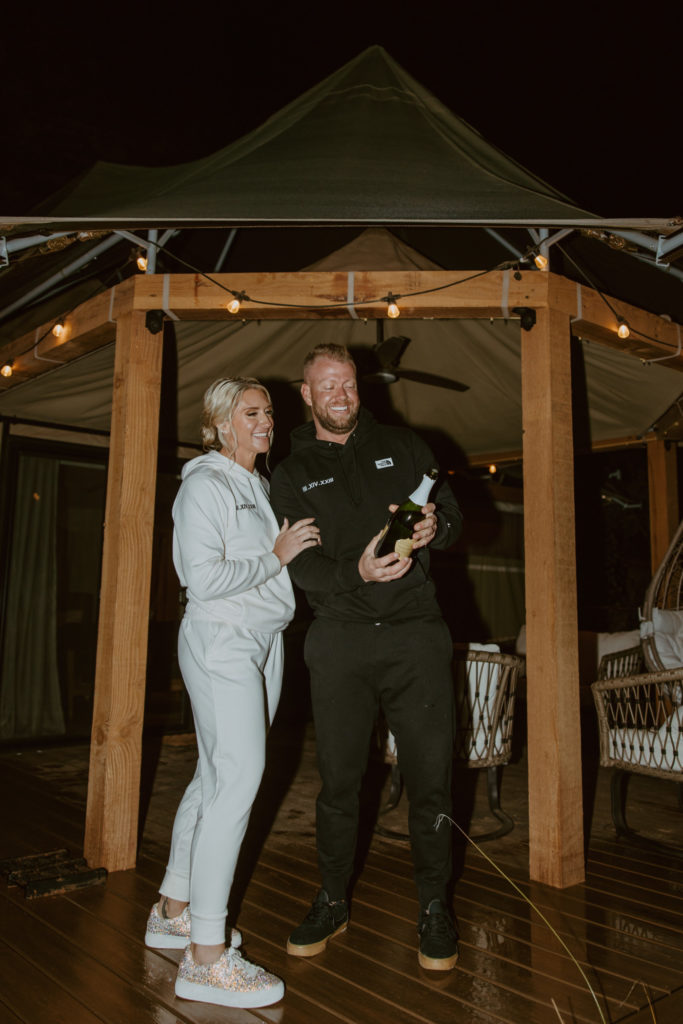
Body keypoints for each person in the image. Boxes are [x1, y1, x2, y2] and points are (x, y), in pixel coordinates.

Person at [270, 343, 462, 971]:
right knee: (340, 784)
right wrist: (355, 570)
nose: (340, 396)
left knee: (432, 778)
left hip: (415, 633)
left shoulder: (406, 446)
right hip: (342, 639)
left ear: (361, 388)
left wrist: (436, 526)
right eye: (327, 386)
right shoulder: (291, 473)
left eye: (348, 384)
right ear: (307, 393)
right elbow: (302, 566)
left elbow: (455, 518)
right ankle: (332, 899)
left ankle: (435, 906)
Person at [144, 376, 320, 1009]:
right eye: (251, 412)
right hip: (223, 639)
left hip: (263, 641)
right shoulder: (207, 485)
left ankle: (173, 910)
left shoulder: (258, 486)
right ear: (220, 425)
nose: (266, 420)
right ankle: (208, 958)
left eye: (268, 411)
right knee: (239, 781)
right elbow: (200, 575)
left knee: (215, 777)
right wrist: (275, 559)